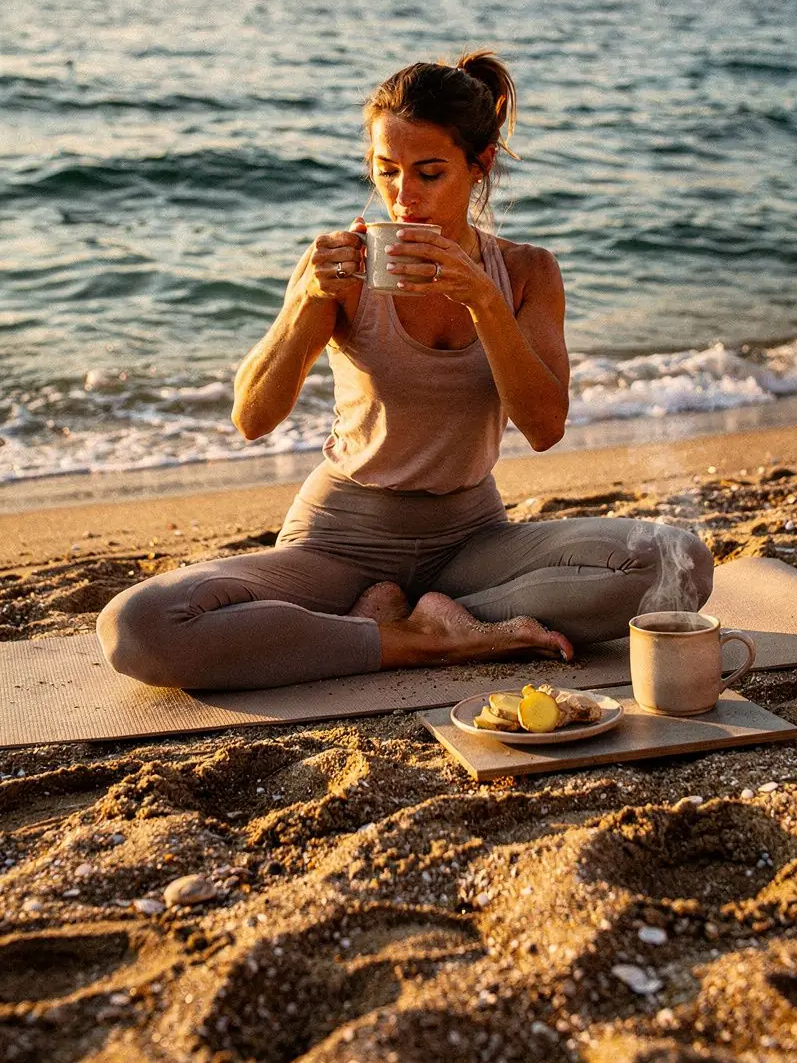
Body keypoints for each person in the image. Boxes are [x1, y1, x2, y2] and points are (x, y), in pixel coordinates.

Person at [97, 52, 713, 690]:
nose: (403, 196)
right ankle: (420, 639)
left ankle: (416, 625)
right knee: (139, 627)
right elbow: (253, 418)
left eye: (429, 172)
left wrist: (482, 300)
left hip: (471, 540)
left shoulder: (527, 274)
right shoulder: (342, 270)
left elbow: (544, 425)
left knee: (680, 565)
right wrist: (308, 300)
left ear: (481, 167)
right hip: (339, 541)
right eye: (385, 171)